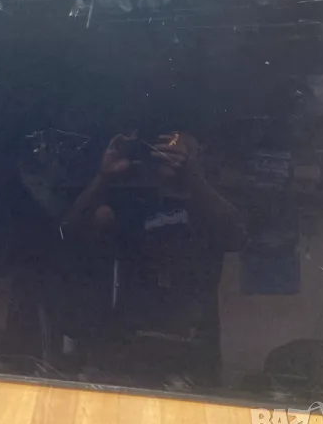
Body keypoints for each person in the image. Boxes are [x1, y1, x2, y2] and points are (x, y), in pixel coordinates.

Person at [62, 131, 246, 388]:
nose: (169, 153)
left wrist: (191, 176)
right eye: (163, 148)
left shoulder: (208, 207)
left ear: (197, 158)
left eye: (178, 149)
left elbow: (237, 235)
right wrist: (103, 177)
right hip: (130, 347)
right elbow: (69, 233)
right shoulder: (136, 205)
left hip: (192, 350)